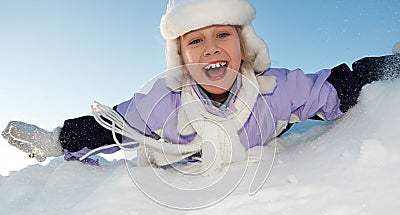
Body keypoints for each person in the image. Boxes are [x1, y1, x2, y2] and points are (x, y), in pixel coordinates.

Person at [2, 0, 400, 175]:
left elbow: (340, 85)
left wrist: (392, 65)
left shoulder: (277, 89)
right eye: (195, 41)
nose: (210, 47)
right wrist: (57, 140)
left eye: (222, 34)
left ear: (244, 46)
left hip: (256, 140)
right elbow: (110, 127)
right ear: (181, 58)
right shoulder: (161, 103)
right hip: (183, 161)